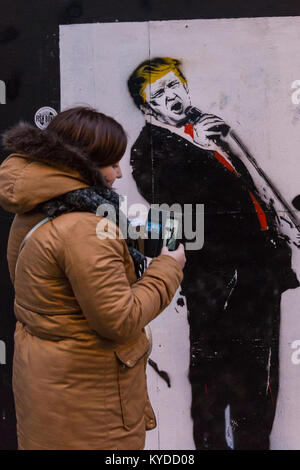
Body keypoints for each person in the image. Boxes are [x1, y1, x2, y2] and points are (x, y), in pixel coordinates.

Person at [128, 57, 299, 449]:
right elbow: (179, 211)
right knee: (213, 386)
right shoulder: (150, 149)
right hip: (217, 284)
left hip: (257, 276)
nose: (171, 97)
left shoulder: (200, 130)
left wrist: (279, 228)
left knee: (258, 381)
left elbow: (245, 190)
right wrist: (202, 146)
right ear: (146, 108)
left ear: (185, 87)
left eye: (175, 86)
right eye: (159, 94)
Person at [0, 106, 186, 450]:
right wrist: (169, 266)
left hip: (53, 390)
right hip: (91, 411)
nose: (118, 172)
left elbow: (95, 237)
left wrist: (151, 233)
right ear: (83, 163)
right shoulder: (82, 227)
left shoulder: (43, 204)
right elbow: (119, 319)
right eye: (111, 163)